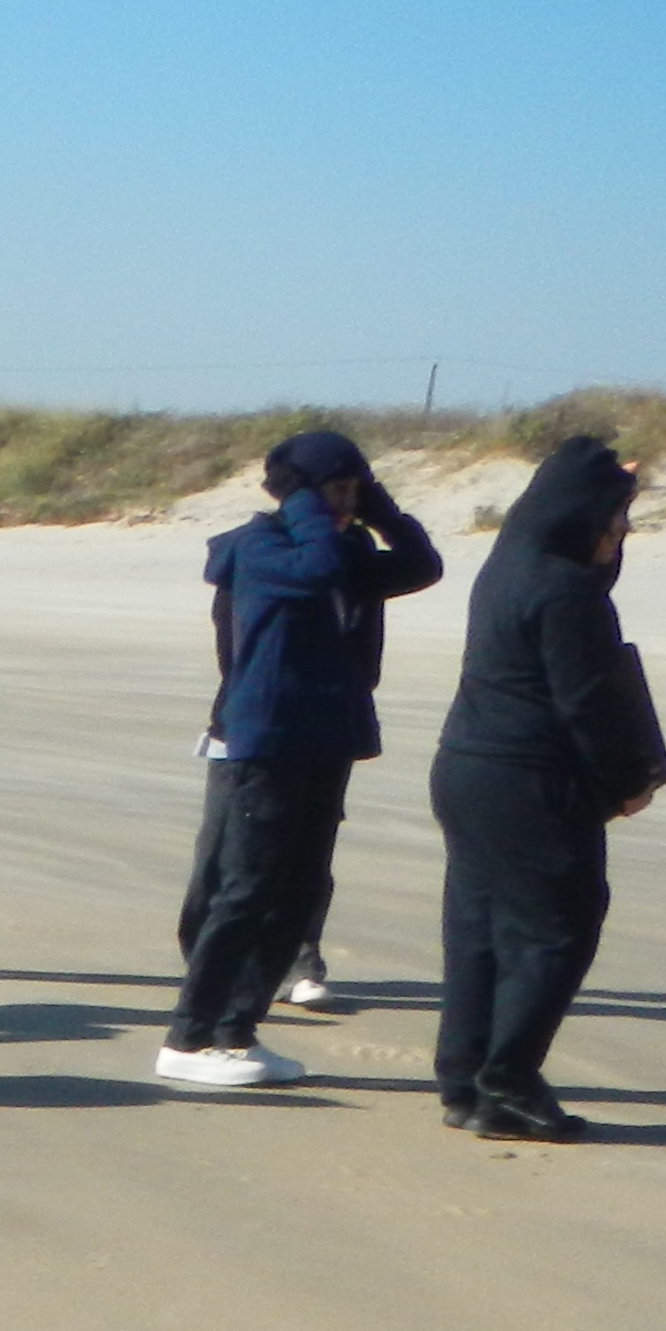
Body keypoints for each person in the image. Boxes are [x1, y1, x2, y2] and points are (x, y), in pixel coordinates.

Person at [157, 429, 442, 1089]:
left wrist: (382, 511)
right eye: (336, 490)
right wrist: (305, 504)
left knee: (300, 888)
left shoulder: (345, 547)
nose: (346, 505)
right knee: (245, 887)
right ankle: (188, 1036)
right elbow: (314, 572)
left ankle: (235, 1031)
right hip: (267, 739)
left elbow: (422, 568)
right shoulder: (260, 547)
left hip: (328, 738)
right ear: (299, 493)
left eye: (353, 491)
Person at [429, 434, 666, 1140]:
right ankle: (506, 1085)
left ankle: (466, 1080)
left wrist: (615, 493)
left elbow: (584, 568)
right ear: (581, 521)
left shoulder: (509, 564)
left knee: (478, 931)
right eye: (616, 521)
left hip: (465, 770)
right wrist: (630, 781)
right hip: (528, 780)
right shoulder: (564, 592)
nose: (622, 531)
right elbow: (588, 700)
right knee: (557, 929)